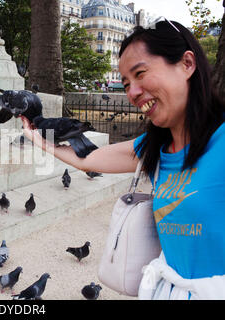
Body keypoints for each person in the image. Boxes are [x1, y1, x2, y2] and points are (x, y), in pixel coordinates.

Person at [21, 18, 225, 299]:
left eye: (140, 74)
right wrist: (37, 137)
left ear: (187, 64)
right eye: (127, 83)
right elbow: (88, 159)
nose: (132, 93)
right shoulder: (154, 147)